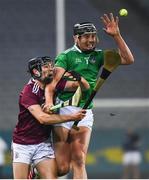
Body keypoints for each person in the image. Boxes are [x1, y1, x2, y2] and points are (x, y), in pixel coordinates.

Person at [44, 13, 134, 179]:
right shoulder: (66, 56)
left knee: (79, 159)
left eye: (93, 36)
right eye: (87, 36)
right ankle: (37, 173)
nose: (91, 40)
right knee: (63, 167)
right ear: (76, 38)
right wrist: (49, 103)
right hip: (64, 111)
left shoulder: (99, 55)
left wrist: (117, 35)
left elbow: (128, 59)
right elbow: (51, 85)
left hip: (85, 112)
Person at [11, 56, 86, 179]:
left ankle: (36, 171)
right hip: (23, 144)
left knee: (62, 170)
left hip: (42, 144)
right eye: (46, 66)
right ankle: (33, 173)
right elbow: (43, 119)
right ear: (36, 72)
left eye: (51, 66)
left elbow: (80, 87)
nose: (51, 69)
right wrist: (71, 117)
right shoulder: (29, 91)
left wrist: (80, 79)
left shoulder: (54, 84)